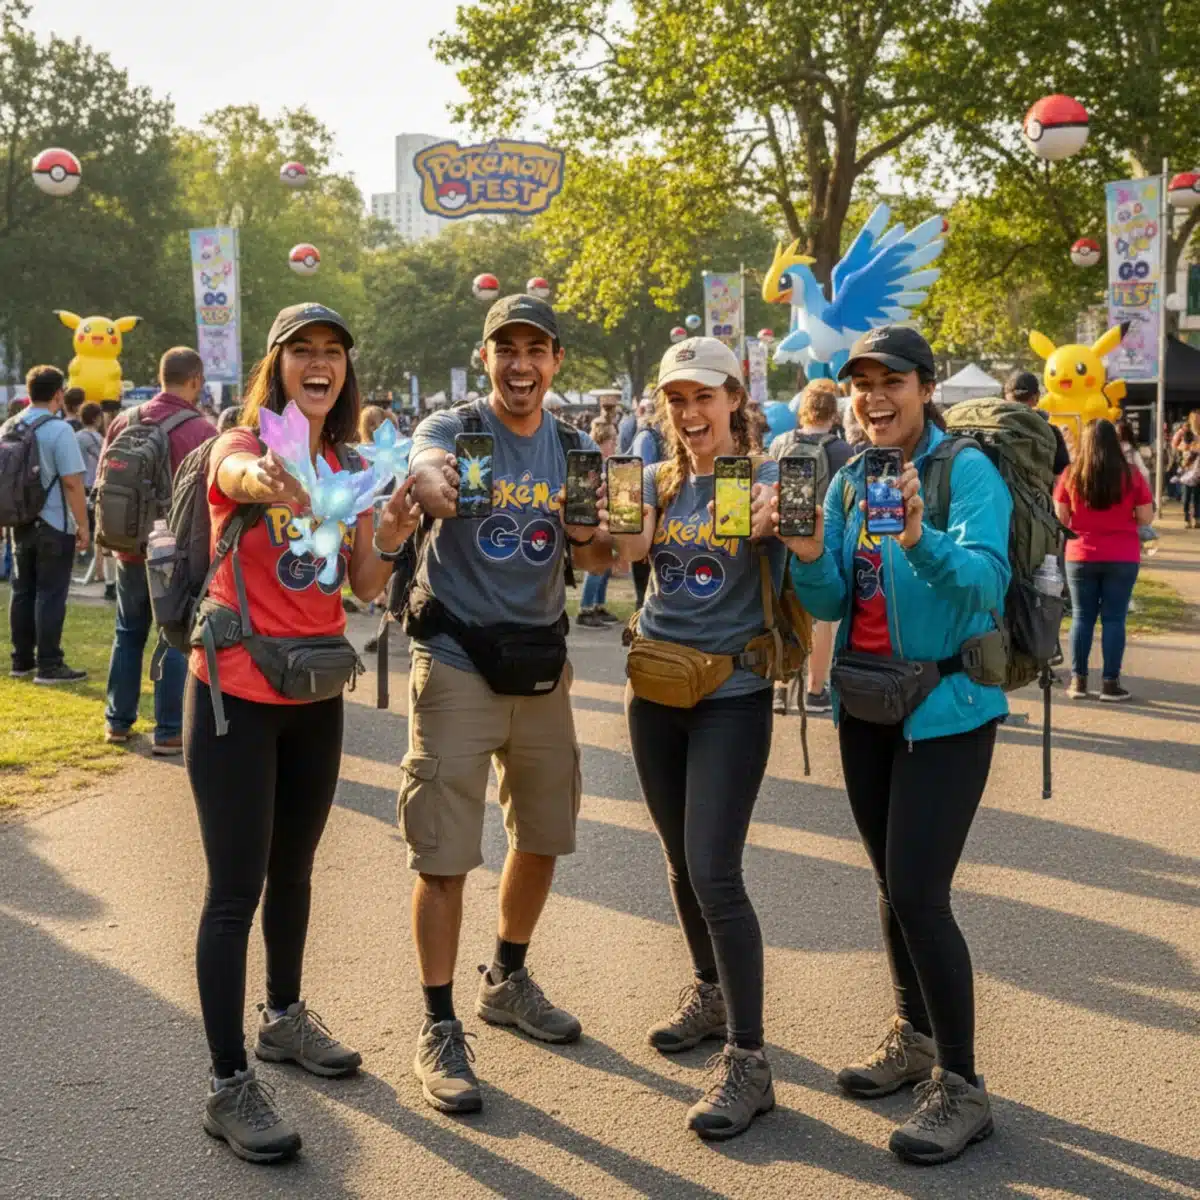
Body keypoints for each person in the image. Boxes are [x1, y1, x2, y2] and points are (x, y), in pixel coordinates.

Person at [184, 304, 420, 1164]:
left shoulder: (348, 464)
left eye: (331, 353)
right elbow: (240, 479)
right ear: (278, 367)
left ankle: (283, 1019)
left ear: (343, 371)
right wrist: (270, 481)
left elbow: (359, 584)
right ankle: (225, 1083)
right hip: (236, 696)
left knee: (295, 870)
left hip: (315, 694)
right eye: (302, 353)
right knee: (233, 890)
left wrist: (388, 535)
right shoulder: (238, 443)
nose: (318, 364)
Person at [783, 326, 1011, 1165]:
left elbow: (987, 581)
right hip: (866, 704)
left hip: (948, 708)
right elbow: (830, 594)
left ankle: (963, 1084)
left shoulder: (967, 472)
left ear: (925, 388)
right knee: (890, 884)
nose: (873, 397)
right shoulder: (847, 480)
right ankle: (913, 1037)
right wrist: (807, 552)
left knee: (919, 892)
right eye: (859, 384)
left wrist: (921, 536)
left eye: (891, 382)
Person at [404, 293, 610, 1116]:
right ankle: (439, 1022)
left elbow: (602, 555)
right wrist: (427, 482)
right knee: (445, 853)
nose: (520, 364)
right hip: (455, 658)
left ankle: (509, 977)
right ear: (484, 357)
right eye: (505, 349)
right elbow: (423, 466)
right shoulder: (457, 432)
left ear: (556, 360)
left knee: (543, 835)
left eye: (536, 350)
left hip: (541, 665)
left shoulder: (580, 449)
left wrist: (585, 528)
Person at [607, 336, 789, 1141]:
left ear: (735, 400)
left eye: (704, 398)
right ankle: (710, 993)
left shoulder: (763, 482)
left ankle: (750, 1063)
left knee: (716, 872)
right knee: (681, 861)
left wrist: (786, 528)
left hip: (731, 694)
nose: (689, 413)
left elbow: (811, 569)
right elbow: (624, 559)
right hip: (654, 692)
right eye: (677, 400)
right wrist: (612, 526)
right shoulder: (651, 480)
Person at [101, 349, 217, 754]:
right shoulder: (202, 430)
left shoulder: (123, 421)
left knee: (127, 633)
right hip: (174, 551)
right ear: (197, 380)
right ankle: (168, 729)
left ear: (160, 374)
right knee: (174, 636)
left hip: (127, 548)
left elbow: (105, 480)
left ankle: (117, 721)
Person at [1054, 419, 1153, 702]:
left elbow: (1061, 518)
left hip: (1080, 554)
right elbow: (1145, 517)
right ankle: (1110, 683)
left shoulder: (1071, 474)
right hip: (1122, 555)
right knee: (1114, 619)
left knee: (1082, 618)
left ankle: (1078, 682)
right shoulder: (1131, 474)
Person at [771, 379, 853, 715]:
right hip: (821, 543)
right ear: (834, 413)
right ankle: (815, 690)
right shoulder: (841, 451)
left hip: (781, 539)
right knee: (822, 621)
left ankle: (778, 686)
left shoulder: (780, 443)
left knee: (781, 614)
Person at [5, 366, 90, 683]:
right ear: (59, 394)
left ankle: (21, 660)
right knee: (51, 594)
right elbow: (71, 482)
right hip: (54, 522)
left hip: (19, 522)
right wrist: (83, 524)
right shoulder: (60, 430)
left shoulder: (10, 425)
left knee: (22, 591)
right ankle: (50, 664)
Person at [577, 419, 620, 627]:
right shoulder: (594, 464)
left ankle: (598, 605)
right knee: (596, 565)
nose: (615, 444)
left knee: (606, 565)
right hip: (595, 519)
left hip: (607, 517)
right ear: (603, 440)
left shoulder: (608, 463)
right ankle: (585, 609)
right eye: (613, 439)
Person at [629, 399, 665, 608]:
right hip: (644, 513)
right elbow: (642, 477)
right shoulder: (647, 437)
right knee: (643, 574)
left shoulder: (658, 437)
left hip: (655, 514)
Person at [1004, 370, 1070, 476]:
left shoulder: (993, 426)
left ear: (1006, 397)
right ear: (1037, 397)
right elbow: (1062, 473)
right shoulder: (1051, 432)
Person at [1172, 410, 1200, 527]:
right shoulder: (1183, 432)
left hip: (1198, 468)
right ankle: (1187, 519)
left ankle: (1197, 518)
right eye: (1195, 418)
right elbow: (1174, 444)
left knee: (1197, 496)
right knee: (1187, 496)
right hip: (1186, 467)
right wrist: (1187, 447)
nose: (1197, 421)